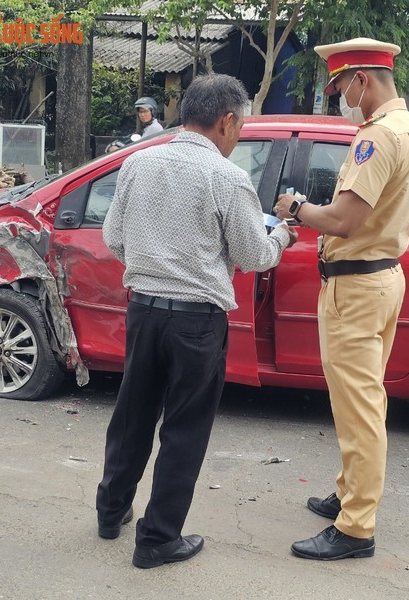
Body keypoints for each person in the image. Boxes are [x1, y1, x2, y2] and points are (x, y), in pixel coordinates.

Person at [97, 74, 298, 569]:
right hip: (197, 322)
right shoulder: (227, 177)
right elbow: (253, 255)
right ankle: (158, 539)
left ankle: (110, 512)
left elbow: (113, 238)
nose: (240, 134)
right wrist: (284, 238)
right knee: (184, 430)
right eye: (242, 124)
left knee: (133, 415)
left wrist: (154, 260)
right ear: (226, 120)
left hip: (144, 309)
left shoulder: (138, 162)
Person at [274, 37, 409, 561]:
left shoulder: (377, 138)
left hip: (357, 285)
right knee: (364, 400)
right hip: (382, 278)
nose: (341, 96)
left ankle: (356, 527)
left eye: (342, 86)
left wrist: (297, 208)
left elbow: (343, 220)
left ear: (362, 79)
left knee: (359, 408)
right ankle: (347, 492)